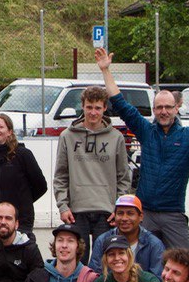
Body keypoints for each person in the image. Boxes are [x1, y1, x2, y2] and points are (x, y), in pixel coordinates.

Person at [96, 48, 189, 250]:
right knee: (138, 261)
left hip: (174, 214)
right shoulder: (146, 131)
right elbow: (120, 103)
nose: (164, 111)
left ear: (176, 108)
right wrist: (105, 70)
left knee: (183, 261)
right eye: (159, 108)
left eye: (168, 107)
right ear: (154, 110)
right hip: (145, 213)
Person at [53, 85, 131, 257]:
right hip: (76, 211)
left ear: (104, 108)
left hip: (106, 211)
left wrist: (118, 208)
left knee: (103, 261)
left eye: (97, 108)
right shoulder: (67, 136)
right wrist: (63, 205)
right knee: (79, 262)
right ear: (83, 106)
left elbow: (123, 177)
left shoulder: (116, 137)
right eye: (89, 107)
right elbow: (61, 175)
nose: (93, 112)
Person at [0, 113, 48, 238]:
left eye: (0, 127)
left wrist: (23, 201)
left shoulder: (23, 155)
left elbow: (41, 186)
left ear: (9, 132)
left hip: (21, 223)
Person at [88, 195, 165, 276]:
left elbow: (158, 279)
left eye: (130, 213)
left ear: (141, 216)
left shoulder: (154, 244)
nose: (124, 218)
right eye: (120, 213)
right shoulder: (103, 240)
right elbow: (94, 275)